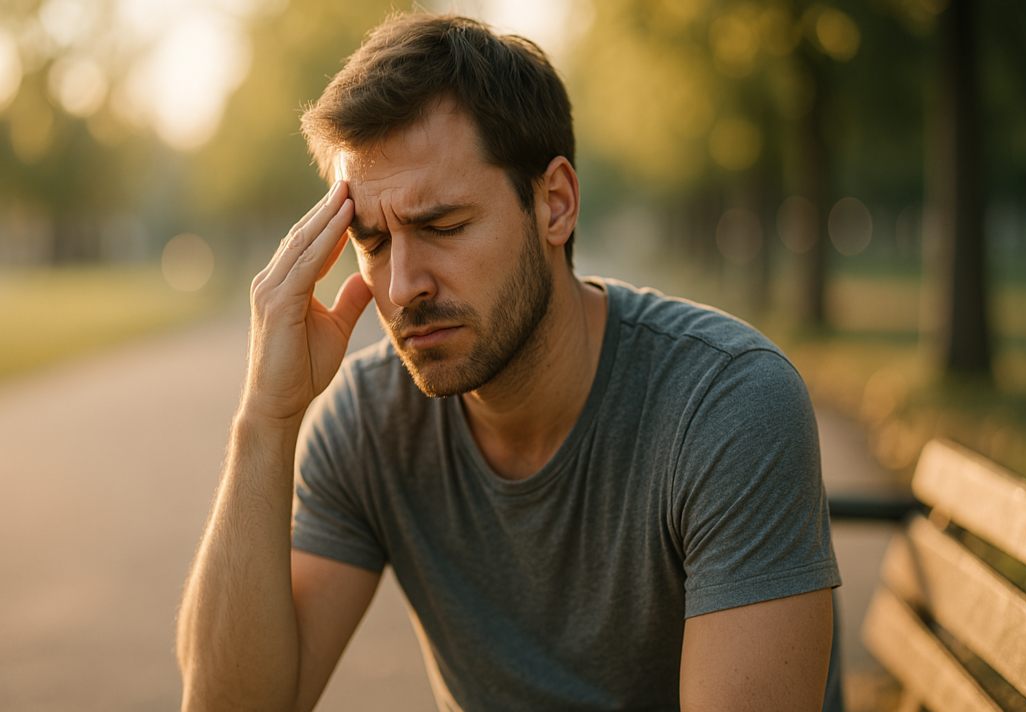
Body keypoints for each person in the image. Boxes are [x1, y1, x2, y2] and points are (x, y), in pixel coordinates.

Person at [177, 12, 842, 712]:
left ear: (555, 204)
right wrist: (266, 418)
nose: (402, 287)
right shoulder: (370, 425)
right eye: (372, 243)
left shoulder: (726, 405)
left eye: (442, 226)